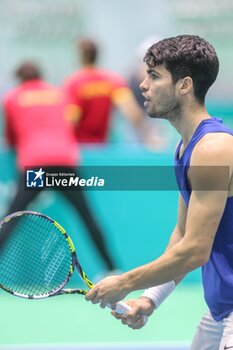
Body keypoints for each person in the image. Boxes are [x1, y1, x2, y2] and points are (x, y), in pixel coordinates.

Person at [85, 35, 233, 349]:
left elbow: (195, 250)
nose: (142, 85)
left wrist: (125, 282)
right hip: (221, 309)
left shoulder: (214, 149)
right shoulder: (185, 148)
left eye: (154, 76)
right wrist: (149, 299)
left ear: (184, 85)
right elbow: (181, 235)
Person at [2, 61, 116, 272]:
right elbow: (71, 123)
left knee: (12, 217)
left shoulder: (12, 97)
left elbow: (10, 138)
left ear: (19, 79)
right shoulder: (60, 94)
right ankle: (112, 269)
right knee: (87, 216)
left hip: (35, 166)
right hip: (64, 162)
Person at [63, 38, 149, 144]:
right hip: (103, 147)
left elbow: (71, 120)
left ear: (80, 56)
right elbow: (131, 111)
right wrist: (147, 135)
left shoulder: (73, 83)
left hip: (80, 148)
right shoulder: (113, 81)